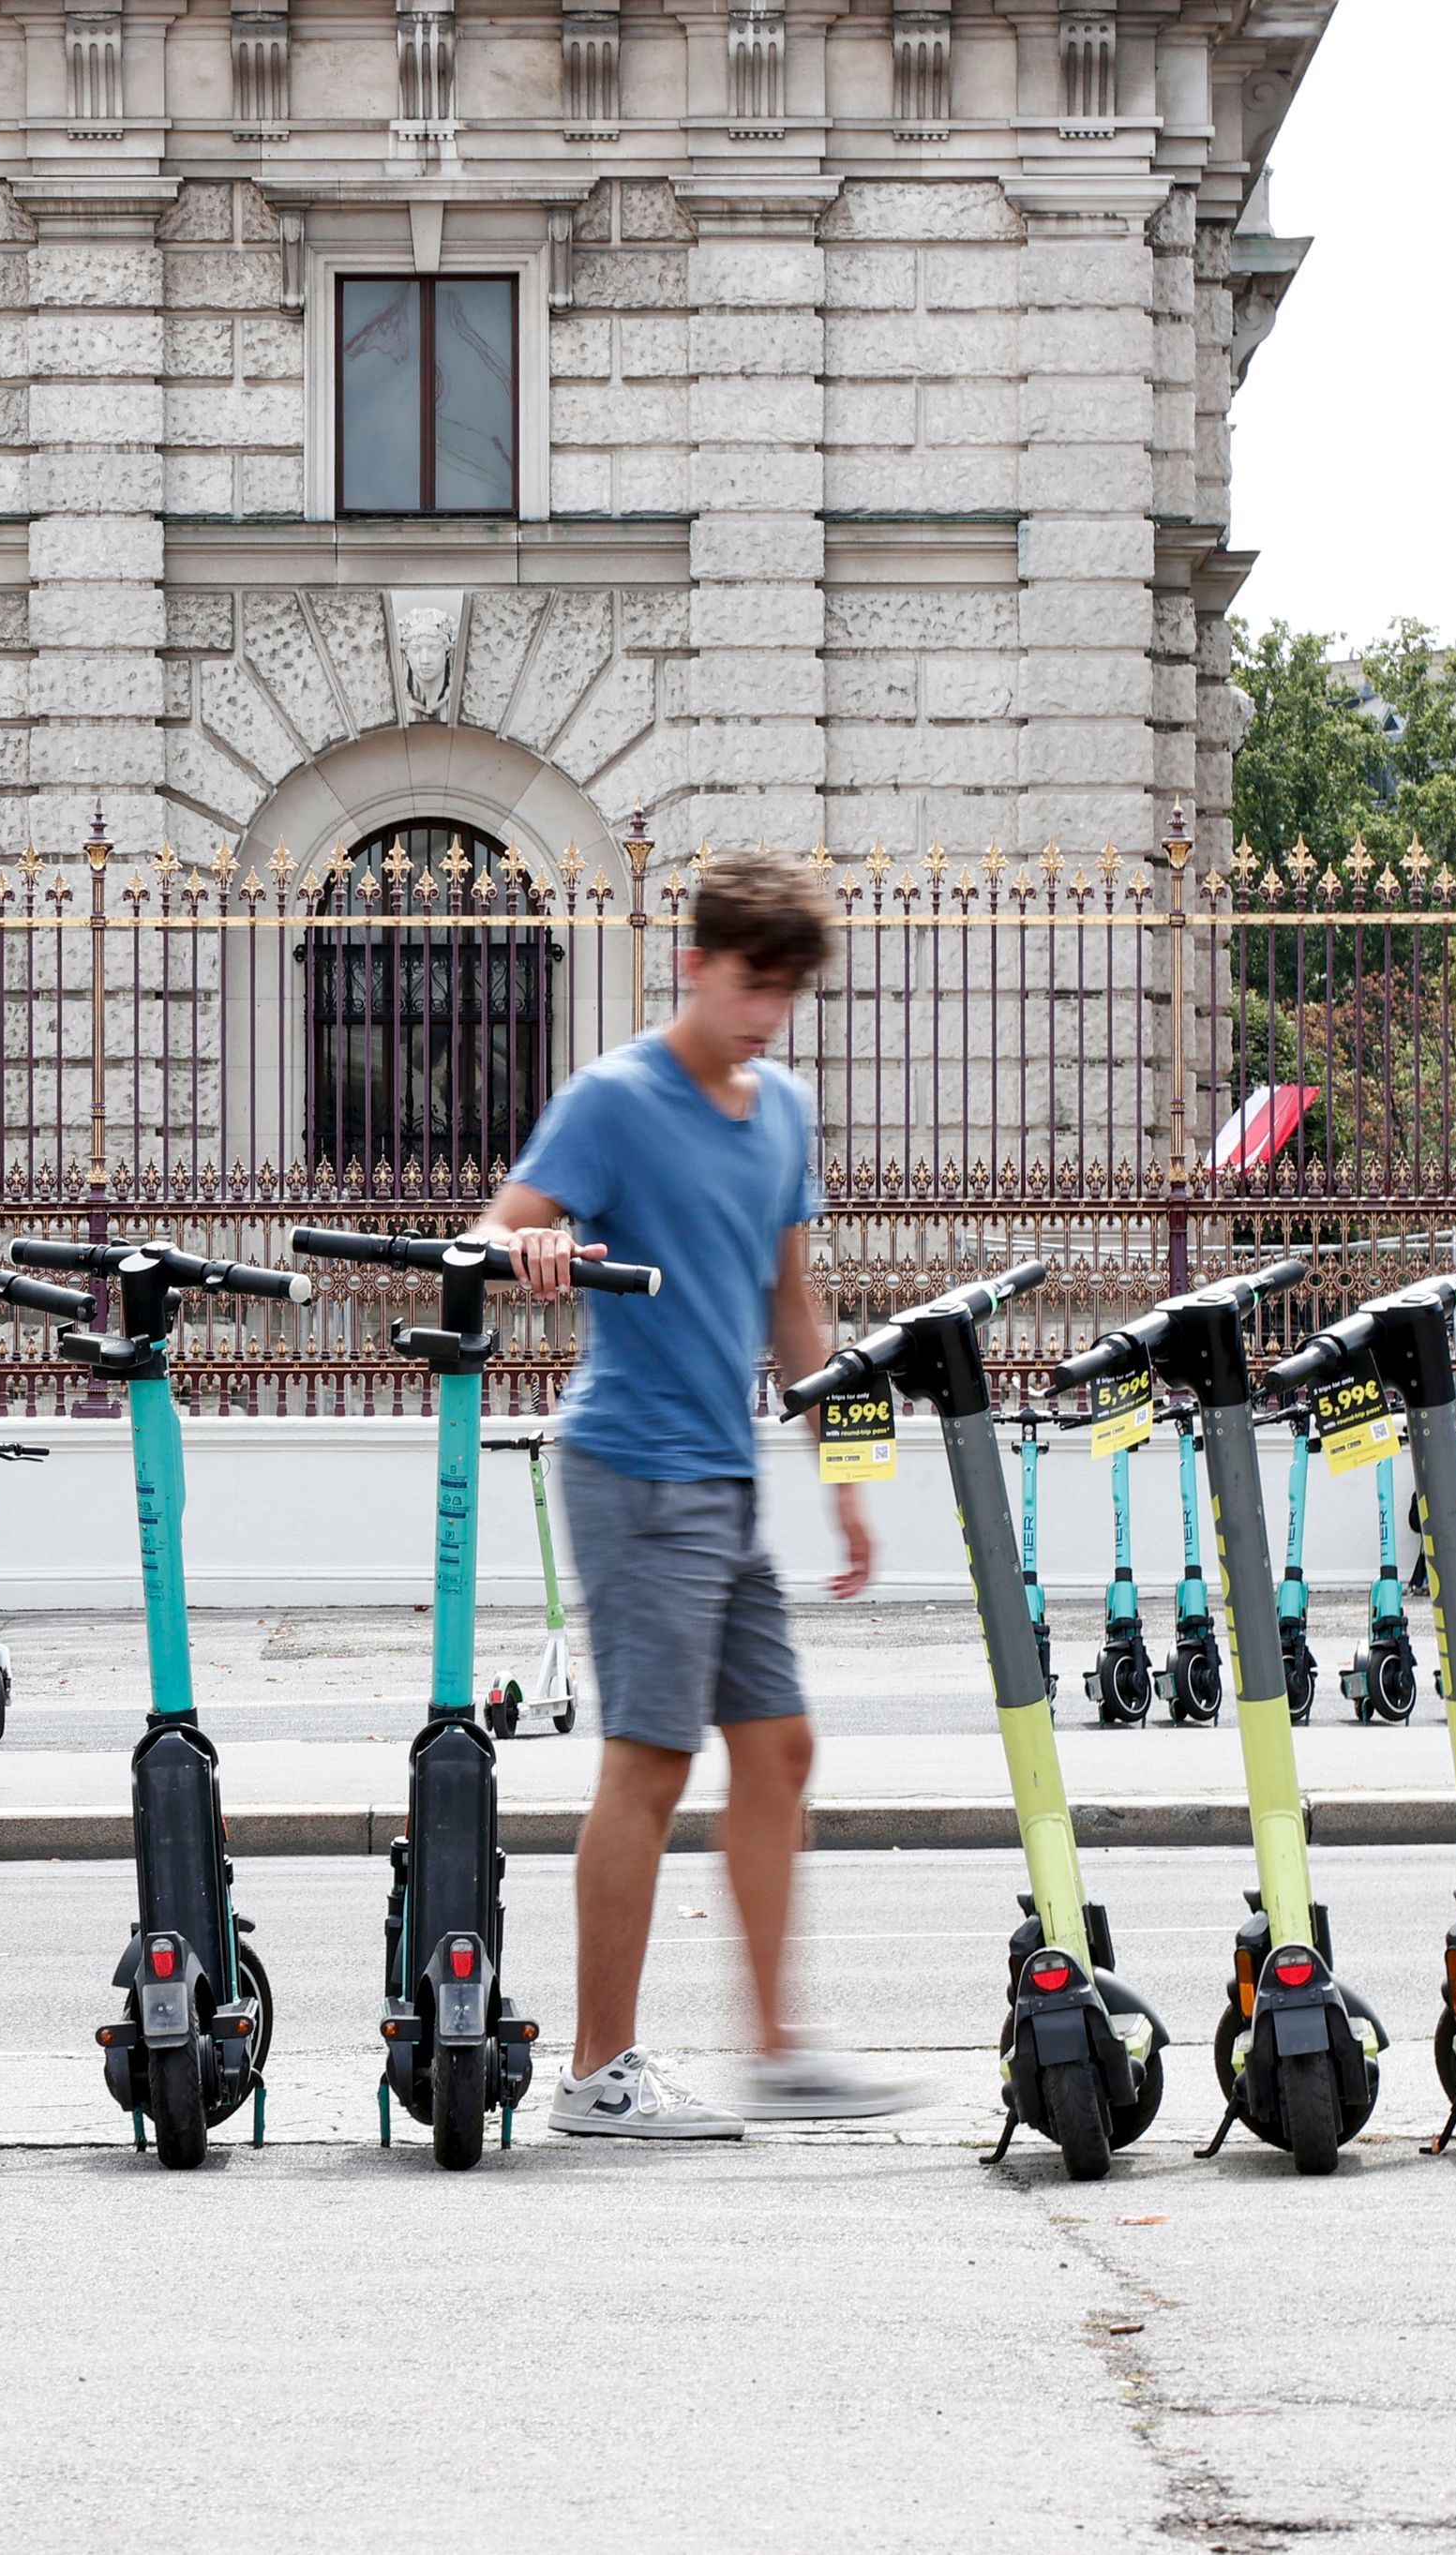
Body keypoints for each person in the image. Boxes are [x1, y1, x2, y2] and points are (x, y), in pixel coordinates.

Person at [474, 849, 921, 2140]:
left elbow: (792, 1301)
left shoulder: (781, 1108)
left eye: (784, 992)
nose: (765, 1013)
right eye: (748, 984)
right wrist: (539, 1245)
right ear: (696, 964)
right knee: (653, 1763)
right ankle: (598, 2071)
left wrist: (844, 1475)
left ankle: (780, 2050)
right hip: (631, 1467)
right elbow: (495, 1228)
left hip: (724, 1474)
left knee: (779, 1748)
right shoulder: (616, 1098)